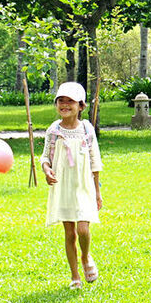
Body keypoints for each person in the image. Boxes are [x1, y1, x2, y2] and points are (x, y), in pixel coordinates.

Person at [40, 82, 103, 288]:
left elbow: (95, 160)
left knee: (83, 230)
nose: (65, 105)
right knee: (70, 232)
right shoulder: (54, 130)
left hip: (84, 185)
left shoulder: (86, 129)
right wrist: (47, 170)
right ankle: (75, 275)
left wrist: (97, 192)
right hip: (64, 187)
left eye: (70, 101)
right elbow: (45, 157)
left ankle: (85, 257)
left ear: (81, 106)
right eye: (61, 101)